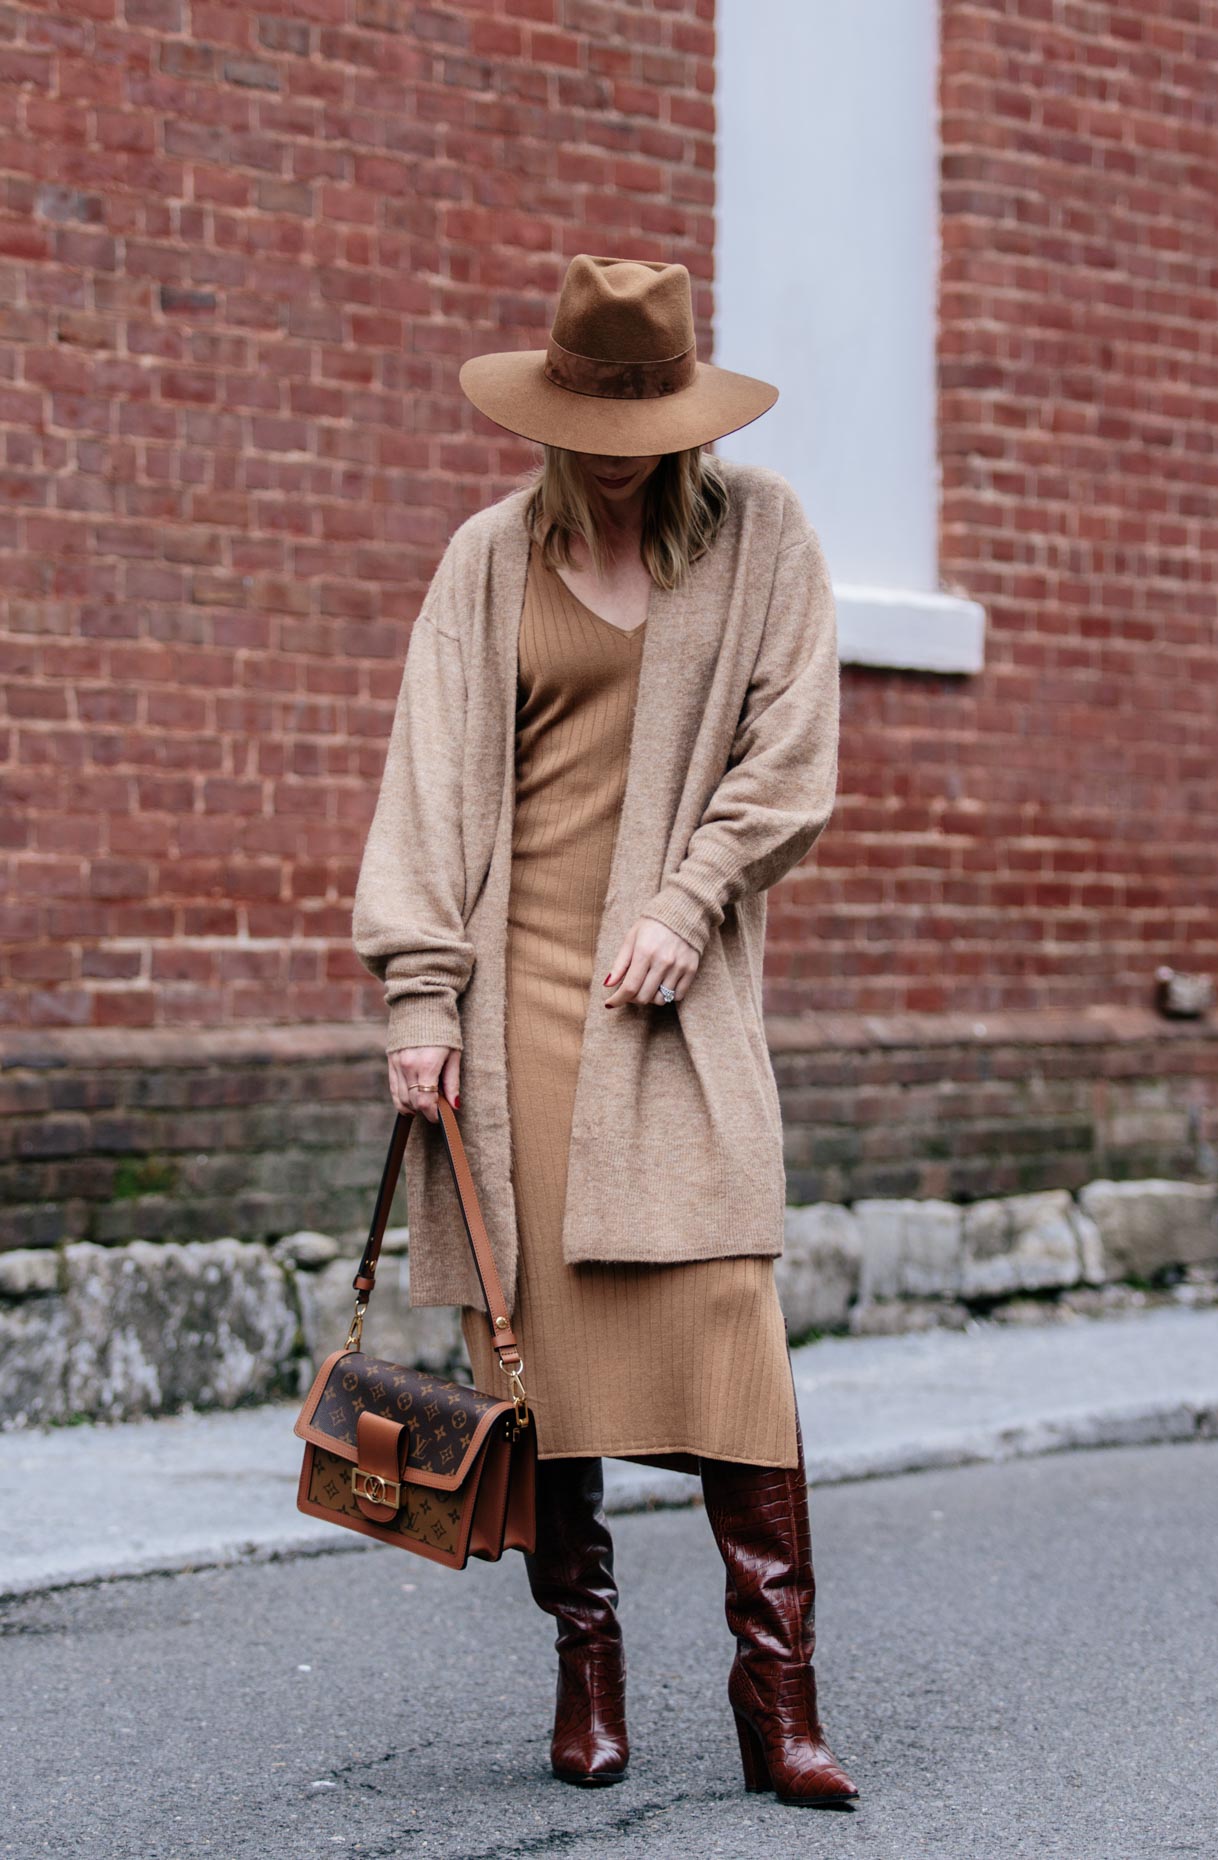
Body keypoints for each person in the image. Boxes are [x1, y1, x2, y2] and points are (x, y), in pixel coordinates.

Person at [351, 254, 858, 1809]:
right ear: (549, 414)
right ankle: (588, 1677)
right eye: (594, 421)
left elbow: (792, 755)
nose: (621, 450)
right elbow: (430, 788)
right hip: (521, 1015)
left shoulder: (764, 535)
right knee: (540, 1364)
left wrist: (690, 898)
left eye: (647, 420)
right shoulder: (487, 561)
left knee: (730, 1334)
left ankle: (781, 1707)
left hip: (679, 1004)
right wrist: (421, 994)